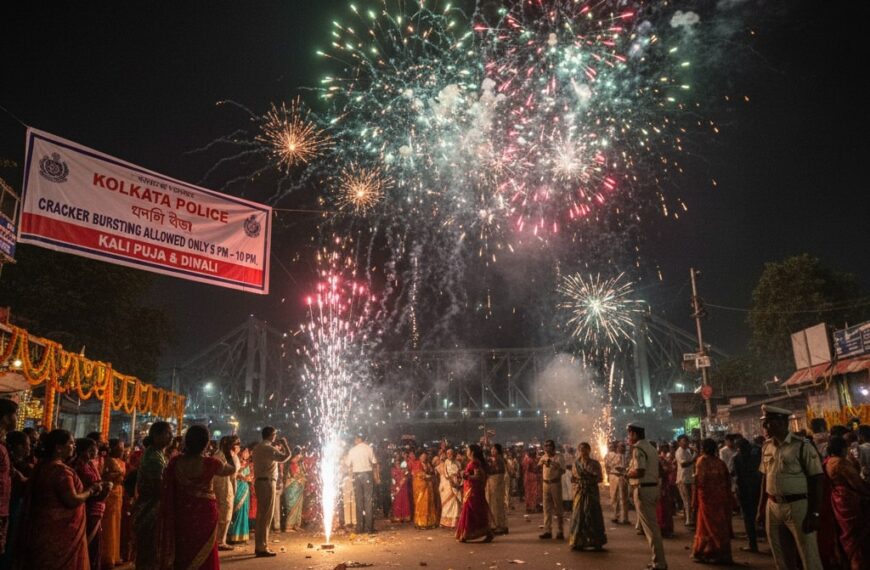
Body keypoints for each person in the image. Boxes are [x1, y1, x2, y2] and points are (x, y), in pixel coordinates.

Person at [158, 425, 235, 570]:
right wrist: (227, 453)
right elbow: (232, 469)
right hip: (205, 515)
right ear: (206, 443)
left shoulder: (175, 462)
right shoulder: (211, 463)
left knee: (184, 550)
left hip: (182, 514)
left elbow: (167, 488)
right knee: (205, 553)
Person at [756, 405, 823, 570]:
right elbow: (765, 479)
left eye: (769, 422)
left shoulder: (802, 446)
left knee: (809, 556)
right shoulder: (767, 447)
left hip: (798, 506)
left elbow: (817, 479)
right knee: (781, 558)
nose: (764, 427)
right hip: (773, 506)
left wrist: (815, 512)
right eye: (764, 422)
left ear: (781, 422)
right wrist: (761, 508)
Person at [23, 429, 101, 570]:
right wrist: (91, 490)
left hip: (42, 526)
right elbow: (72, 500)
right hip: (62, 531)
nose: (73, 446)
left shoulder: (42, 466)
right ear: (59, 447)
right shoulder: (61, 471)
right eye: (71, 443)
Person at [823, 435, 870, 570]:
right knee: (856, 538)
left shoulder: (828, 461)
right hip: (849, 501)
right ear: (843, 448)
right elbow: (857, 484)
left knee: (843, 534)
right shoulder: (840, 463)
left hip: (837, 500)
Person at [133, 421, 173, 570]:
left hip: (152, 506)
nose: (171, 437)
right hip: (151, 508)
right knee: (150, 551)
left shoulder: (157, 453)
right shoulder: (154, 457)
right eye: (167, 433)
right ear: (156, 436)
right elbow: (159, 488)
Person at [627, 423, 667, 570]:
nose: (628, 437)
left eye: (629, 434)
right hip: (653, 488)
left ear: (634, 434)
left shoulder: (638, 449)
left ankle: (659, 563)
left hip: (644, 489)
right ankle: (659, 561)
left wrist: (627, 473)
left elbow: (639, 471)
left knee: (651, 529)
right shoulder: (651, 447)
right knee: (653, 527)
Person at [691, 438, 734, 564]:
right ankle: (716, 552)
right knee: (719, 524)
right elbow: (727, 480)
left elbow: (700, 482)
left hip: (706, 498)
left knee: (707, 525)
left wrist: (695, 498)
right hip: (720, 497)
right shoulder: (720, 462)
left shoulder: (701, 461)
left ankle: (712, 552)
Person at [252, 426, 291, 557]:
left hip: (259, 481)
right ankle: (262, 547)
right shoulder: (269, 448)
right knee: (266, 516)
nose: (275, 436)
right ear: (271, 435)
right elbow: (286, 457)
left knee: (261, 515)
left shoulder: (258, 448)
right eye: (274, 434)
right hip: (267, 482)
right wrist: (285, 444)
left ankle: (259, 545)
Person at [74, 437, 113, 570]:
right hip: (88, 507)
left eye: (94, 449)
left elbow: (98, 481)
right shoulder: (78, 466)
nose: (95, 452)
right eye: (90, 450)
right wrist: (98, 488)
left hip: (97, 506)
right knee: (89, 544)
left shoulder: (90, 464)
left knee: (95, 545)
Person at [568, 442, 607, 551]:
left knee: (592, 515)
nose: (583, 452)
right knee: (579, 516)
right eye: (581, 449)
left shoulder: (595, 463)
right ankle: (578, 541)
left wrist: (589, 480)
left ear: (589, 450)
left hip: (591, 493)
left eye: (585, 449)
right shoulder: (576, 464)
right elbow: (572, 478)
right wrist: (578, 482)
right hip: (580, 493)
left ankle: (595, 541)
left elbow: (600, 478)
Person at [0, 430, 30, 570]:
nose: (28, 449)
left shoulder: (15, 462)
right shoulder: (9, 461)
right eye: (25, 445)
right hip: (8, 506)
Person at [455, 444, 494, 543]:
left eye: (468, 450)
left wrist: (466, 476)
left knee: (472, 511)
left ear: (472, 452)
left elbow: (478, 476)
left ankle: (466, 535)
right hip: (473, 490)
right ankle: (486, 532)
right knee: (477, 511)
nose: (466, 452)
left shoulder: (474, 463)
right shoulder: (476, 462)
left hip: (473, 492)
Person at [733, 437, 762, 553]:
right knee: (761, 516)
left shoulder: (737, 458)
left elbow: (737, 476)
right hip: (758, 489)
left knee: (748, 518)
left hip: (745, 491)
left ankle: (752, 543)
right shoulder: (757, 454)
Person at [347, 432, 379, 534]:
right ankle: (369, 528)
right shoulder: (368, 448)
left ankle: (359, 528)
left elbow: (348, 463)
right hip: (367, 474)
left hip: (357, 476)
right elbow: (374, 462)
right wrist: (376, 476)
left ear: (357, 439)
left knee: (359, 501)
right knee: (368, 501)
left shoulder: (352, 450)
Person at [101, 439, 125, 568]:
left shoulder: (120, 461)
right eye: (120, 447)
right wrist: (116, 474)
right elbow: (103, 475)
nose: (122, 450)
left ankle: (115, 555)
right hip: (110, 494)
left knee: (117, 524)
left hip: (119, 493)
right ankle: (107, 556)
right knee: (109, 525)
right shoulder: (108, 460)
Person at [214, 436, 240, 551]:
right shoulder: (223, 456)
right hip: (223, 486)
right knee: (224, 513)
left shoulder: (226, 455)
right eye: (237, 444)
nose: (239, 447)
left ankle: (220, 540)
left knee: (225, 513)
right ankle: (220, 541)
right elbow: (232, 472)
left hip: (226, 485)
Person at [538, 439, 565, 540]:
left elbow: (563, 470)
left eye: (548, 446)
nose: (546, 448)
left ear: (553, 447)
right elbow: (537, 467)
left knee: (558, 507)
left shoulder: (559, 457)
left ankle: (560, 530)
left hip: (555, 483)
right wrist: (541, 463)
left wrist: (553, 464)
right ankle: (547, 530)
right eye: (545, 446)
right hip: (545, 484)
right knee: (546, 508)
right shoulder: (544, 457)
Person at [228, 446, 253, 543]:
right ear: (241, 452)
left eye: (248, 452)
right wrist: (243, 477)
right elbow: (235, 473)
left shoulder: (247, 464)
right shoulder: (236, 461)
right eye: (245, 452)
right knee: (237, 511)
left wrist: (249, 478)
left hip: (245, 488)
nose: (247, 454)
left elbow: (248, 476)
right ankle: (233, 535)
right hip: (238, 487)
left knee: (244, 511)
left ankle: (242, 536)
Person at [486, 444, 508, 534]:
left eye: (494, 450)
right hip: (492, 484)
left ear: (498, 451)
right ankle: (496, 525)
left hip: (497, 484)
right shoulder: (492, 460)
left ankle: (500, 526)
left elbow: (497, 472)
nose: (492, 451)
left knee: (497, 505)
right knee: (493, 505)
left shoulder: (499, 460)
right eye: (492, 450)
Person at [674, 435, 696, 527]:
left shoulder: (687, 451)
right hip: (682, 479)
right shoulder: (679, 452)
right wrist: (695, 456)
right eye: (684, 441)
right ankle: (688, 520)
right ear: (679, 442)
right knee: (686, 500)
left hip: (689, 478)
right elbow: (684, 464)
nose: (686, 443)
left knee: (689, 500)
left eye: (687, 441)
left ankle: (689, 518)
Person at [412, 451, 437, 529]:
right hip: (420, 487)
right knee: (421, 504)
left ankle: (429, 522)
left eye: (425, 456)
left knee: (428, 503)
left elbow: (432, 472)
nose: (424, 458)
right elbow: (418, 474)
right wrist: (427, 476)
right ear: (419, 457)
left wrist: (431, 473)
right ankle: (421, 523)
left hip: (428, 486)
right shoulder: (417, 463)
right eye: (422, 456)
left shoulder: (427, 464)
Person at [604, 441, 628, 524]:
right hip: (614, 476)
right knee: (614, 496)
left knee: (623, 497)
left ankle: (624, 518)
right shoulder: (610, 456)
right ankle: (616, 516)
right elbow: (606, 466)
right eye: (621, 446)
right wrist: (608, 475)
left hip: (623, 476)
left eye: (623, 447)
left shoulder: (626, 456)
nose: (623, 448)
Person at [282, 447, 305, 531]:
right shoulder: (288, 465)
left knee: (298, 507)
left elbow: (302, 474)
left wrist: (301, 479)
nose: (298, 458)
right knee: (291, 506)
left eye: (299, 457)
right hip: (291, 490)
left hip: (299, 489)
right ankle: (288, 527)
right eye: (297, 457)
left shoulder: (299, 464)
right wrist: (296, 479)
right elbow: (287, 478)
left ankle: (296, 525)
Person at [438, 448, 462, 528]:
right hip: (448, 484)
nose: (449, 455)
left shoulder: (458, 463)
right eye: (448, 453)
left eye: (451, 453)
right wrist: (451, 481)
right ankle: (446, 522)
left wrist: (458, 482)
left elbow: (460, 473)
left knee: (455, 503)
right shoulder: (446, 463)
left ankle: (454, 523)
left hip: (456, 483)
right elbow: (445, 474)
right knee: (447, 503)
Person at [656, 443, 676, 538]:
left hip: (662, 487)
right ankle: (664, 528)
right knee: (663, 509)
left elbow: (670, 469)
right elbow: (670, 468)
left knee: (663, 509)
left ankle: (664, 528)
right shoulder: (660, 459)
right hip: (661, 487)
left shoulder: (660, 459)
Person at [390, 455, 412, 523]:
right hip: (397, 487)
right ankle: (398, 516)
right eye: (396, 462)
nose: (397, 463)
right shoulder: (393, 470)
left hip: (404, 487)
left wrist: (404, 478)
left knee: (404, 500)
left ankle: (405, 516)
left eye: (398, 462)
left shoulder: (404, 469)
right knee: (397, 501)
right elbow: (393, 478)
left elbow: (408, 475)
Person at [522, 447, 542, 513]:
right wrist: (538, 468)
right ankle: (531, 508)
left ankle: (532, 507)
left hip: (529, 477)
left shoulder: (527, 458)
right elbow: (531, 469)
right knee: (532, 493)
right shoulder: (528, 459)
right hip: (531, 477)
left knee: (532, 493)